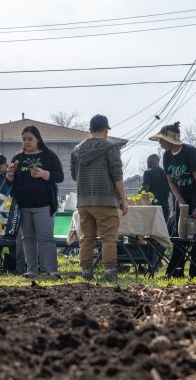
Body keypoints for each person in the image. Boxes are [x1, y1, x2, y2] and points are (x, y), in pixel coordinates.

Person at [149, 121, 196, 279]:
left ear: (171, 140)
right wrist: (180, 200)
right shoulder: (167, 156)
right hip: (182, 195)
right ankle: (175, 272)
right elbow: (171, 181)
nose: (161, 143)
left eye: (162, 140)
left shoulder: (191, 152)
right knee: (180, 233)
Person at [70, 114, 128, 282]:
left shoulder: (77, 150)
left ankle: (86, 271)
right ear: (106, 130)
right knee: (108, 237)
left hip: (84, 201)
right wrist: (123, 200)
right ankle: (109, 271)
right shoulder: (111, 148)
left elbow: (74, 175)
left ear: (90, 131)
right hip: (106, 200)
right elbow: (117, 175)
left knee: (86, 238)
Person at [6, 125, 64, 278]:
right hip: (23, 206)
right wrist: (10, 175)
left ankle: (51, 270)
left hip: (44, 205)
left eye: (30, 139)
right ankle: (31, 270)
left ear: (38, 139)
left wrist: (45, 174)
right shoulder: (18, 158)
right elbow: (10, 183)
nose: (27, 142)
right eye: (24, 139)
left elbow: (59, 177)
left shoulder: (49, 156)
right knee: (28, 239)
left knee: (46, 238)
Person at [141, 153, 171, 222]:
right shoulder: (166, 173)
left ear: (154, 160)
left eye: (148, 161)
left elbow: (145, 188)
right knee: (163, 230)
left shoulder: (148, 172)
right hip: (165, 208)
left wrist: (137, 194)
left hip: (152, 208)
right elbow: (173, 190)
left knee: (151, 230)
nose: (147, 164)